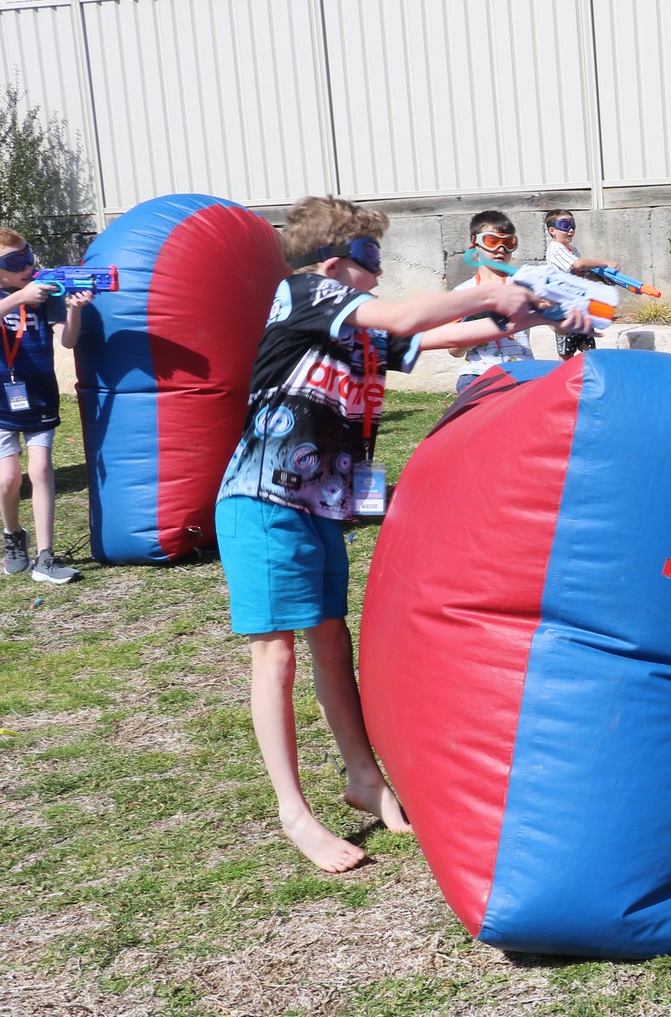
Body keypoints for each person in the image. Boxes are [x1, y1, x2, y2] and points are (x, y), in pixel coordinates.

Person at [216, 195, 574, 873]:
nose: (376, 277)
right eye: (368, 261)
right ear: (333, 263)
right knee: (276, 656)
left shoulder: (350, 327)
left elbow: (428, 337)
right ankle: (295, 813)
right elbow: (410, 314)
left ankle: (364, 778)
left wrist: (519, 310)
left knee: (330, 638)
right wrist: (502, 289)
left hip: (316, 507)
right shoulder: (305, 291)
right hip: (261, 503)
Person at [0, 228, 87, 583]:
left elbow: (68, 341)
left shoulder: (46, 287)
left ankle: (45, 556)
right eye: (16, 261)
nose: (28, 265)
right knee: (8, 478)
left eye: (29, 255)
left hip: (38, 395)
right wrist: (20, 297)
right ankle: (13, 537)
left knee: (40, 470)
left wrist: (73, 310)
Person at [450, 211, 535, 391]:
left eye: (508, 243)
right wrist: (483, 323)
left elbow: (558, 327)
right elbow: (454, 350)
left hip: (522, 372)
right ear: (474, 245)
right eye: (492, 241)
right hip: (477, 375)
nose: (501, 248)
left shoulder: (525, 285)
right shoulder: (462, 293)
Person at [543, 209, 615, 359]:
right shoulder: (555, 248)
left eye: (573, 225)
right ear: (552, 230)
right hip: (563, 308)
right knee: (566, 354)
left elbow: (581, 273)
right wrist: (605, 262)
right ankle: (562, 381)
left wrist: (601, 278)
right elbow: (579, 265)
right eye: (564, 225)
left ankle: (587, 378)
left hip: (579, 307)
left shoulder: (572, 249)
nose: (570, 230)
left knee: (588, 349)